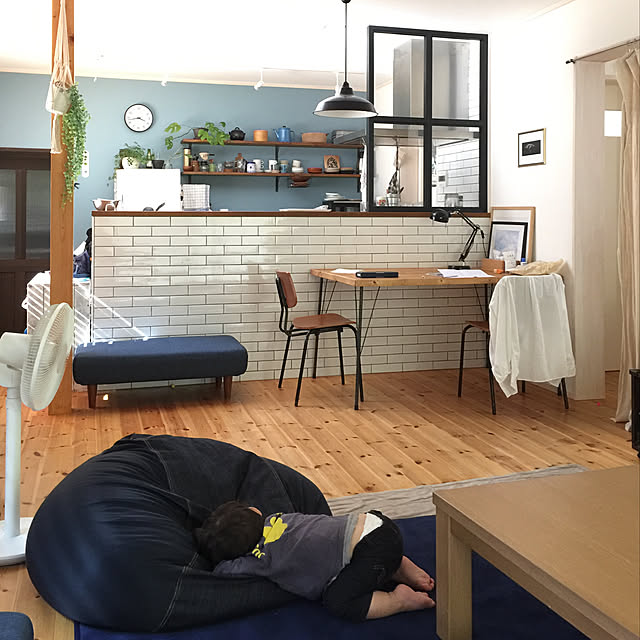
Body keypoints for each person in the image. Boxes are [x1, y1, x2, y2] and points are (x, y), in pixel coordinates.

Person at [193, 501, 435, 622]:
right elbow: (252, 511)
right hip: (379, 524)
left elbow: (223, 571)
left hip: (372, 552)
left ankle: (398, 599)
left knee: (337, 601)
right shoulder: (278, 518)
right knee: (359, 556)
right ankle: (396, 566)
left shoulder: (260, 559)